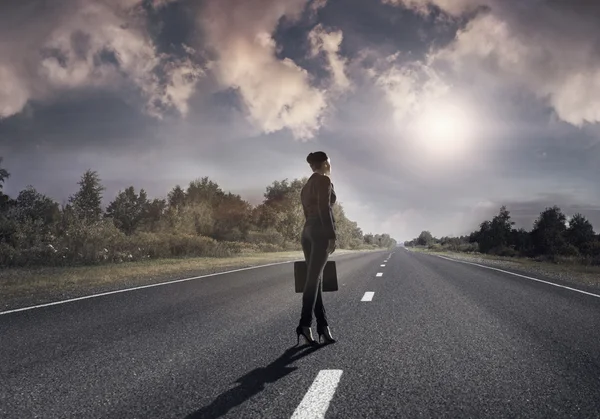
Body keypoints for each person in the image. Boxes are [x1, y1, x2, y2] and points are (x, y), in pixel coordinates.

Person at [296, 151, 337, 346]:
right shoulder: (323, 181)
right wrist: (331, 235)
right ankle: (304, 325)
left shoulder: (305, 187)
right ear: (325, 163)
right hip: (320, 232)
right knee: (313, 280)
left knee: (315, 280)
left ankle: (323, 326)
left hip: (307, 232)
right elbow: (325, 208)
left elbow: (307, 212)